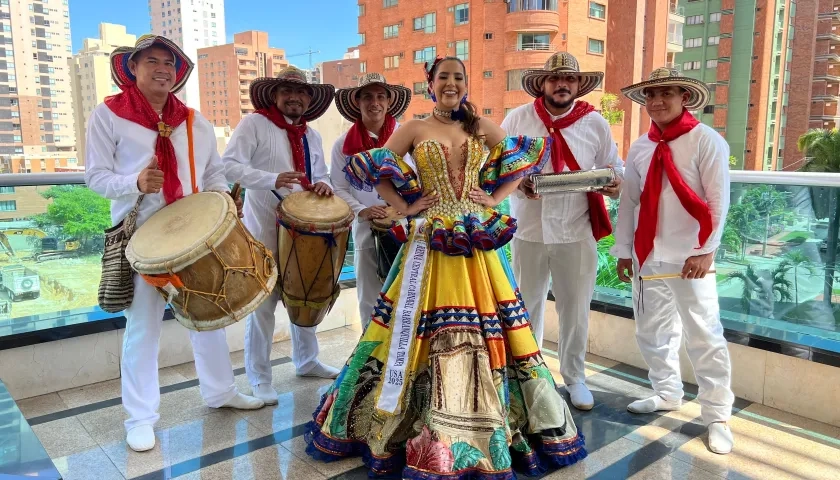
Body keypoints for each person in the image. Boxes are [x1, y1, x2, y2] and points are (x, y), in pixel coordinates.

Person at [305, 56, 586, 479]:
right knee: (410, 328)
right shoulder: (415, 128)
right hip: (430, 239)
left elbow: (521, 161)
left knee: (496, 327)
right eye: (443, 77)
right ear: (430, 85)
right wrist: (404, 207)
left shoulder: (482, 126)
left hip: (477, 238)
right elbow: (373, 168)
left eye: (458, 76)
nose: (450, 83)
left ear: (465, 83)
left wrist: (494, 198)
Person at [85, 35, 264, 453]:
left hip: (195, 237)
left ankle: (220, 391)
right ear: (133, 67)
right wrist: (134, 183)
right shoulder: (109, 115)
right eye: (152, 61)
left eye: (170, 63)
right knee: (143, 329)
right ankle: (140, 418)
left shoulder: (194, 121)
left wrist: (223, 201)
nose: (163, 68)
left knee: (208, 315)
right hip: (144, 241)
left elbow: (215, 172)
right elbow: (94, 176)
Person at [612, 67, 734, 454]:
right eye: (651, 95)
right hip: (648, 255)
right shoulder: (640, 146)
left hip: (691, 257)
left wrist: (706, 250)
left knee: (705, 335)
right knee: (651, 330)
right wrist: (623, 251)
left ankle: (717, 416)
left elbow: (718, 200)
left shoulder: (706, 141)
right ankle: (667, 393)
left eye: (666, 93)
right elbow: (630, 201)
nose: (657, 101)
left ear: (684, 97)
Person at [501, 52, 623, 412]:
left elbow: (614, 166)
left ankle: (575, 378)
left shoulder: (595, 123)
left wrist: (614, 182)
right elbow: (496, 166)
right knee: (527, 306)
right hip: (530, 229)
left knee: (575, 308)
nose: (562, 84)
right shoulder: (517, 119)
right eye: (555, 79)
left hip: (576, 229)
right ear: (542, 84)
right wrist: (519, 181)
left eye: (568, 79)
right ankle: (530, 376)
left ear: (578, 85)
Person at [222, 66, 340, 406]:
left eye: (301, 92)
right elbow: (228, 166)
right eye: (287, 91)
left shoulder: (311, 135)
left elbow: (323, 174)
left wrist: (324, 184)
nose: (294, 97)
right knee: (263, 306)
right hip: (264, 229)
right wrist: (271, 178)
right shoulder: (254, 124)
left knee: (307, 293)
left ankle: (307, 361)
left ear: (309, 99)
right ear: (275, 95)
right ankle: (259, 378)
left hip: (305, 231)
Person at [330, 73, 413, 328]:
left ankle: (403, 354)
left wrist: (401, 208)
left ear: (389, 102)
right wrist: (363, 210)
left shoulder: (408, 135)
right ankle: (369, 357)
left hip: (406, 226)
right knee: (368, 294)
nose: (374, 102)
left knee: (407, 291)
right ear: (357, 102)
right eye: (367, 96)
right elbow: (338, 186)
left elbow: (422, 178)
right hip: (366, 227)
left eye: (380, 96)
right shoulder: (343, 144)